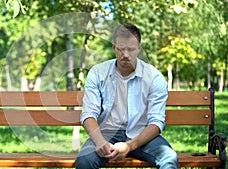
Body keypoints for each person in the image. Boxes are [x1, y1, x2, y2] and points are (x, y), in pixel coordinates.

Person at [75, 23, 178, 169]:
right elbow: (89, 114)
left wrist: (129, 145)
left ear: (139, 48)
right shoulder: (97, 73)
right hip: (105, 134)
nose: (126, 55)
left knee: (169, 158)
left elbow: (156, 122)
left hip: (142, 136)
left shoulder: (154, 77)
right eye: (121, 49)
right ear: (114, 47)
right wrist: (99, 141)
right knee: (85, 161)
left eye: (131, 49)